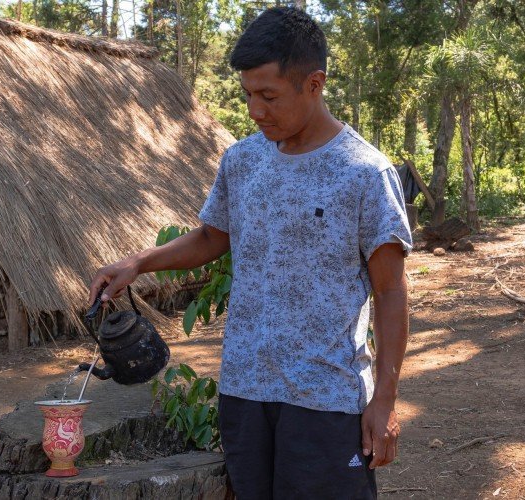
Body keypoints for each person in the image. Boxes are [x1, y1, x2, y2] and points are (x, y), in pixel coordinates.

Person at [89, 7, 412, 499]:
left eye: (268, 96)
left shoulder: (365, 173)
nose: (256, 111)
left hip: (325, 397)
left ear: (314, 84)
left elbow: (390, 293)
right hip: (243, 389)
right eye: (248, 96)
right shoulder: (242, 160)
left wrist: (385, 401)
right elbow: (211, 238)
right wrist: (139, 261)